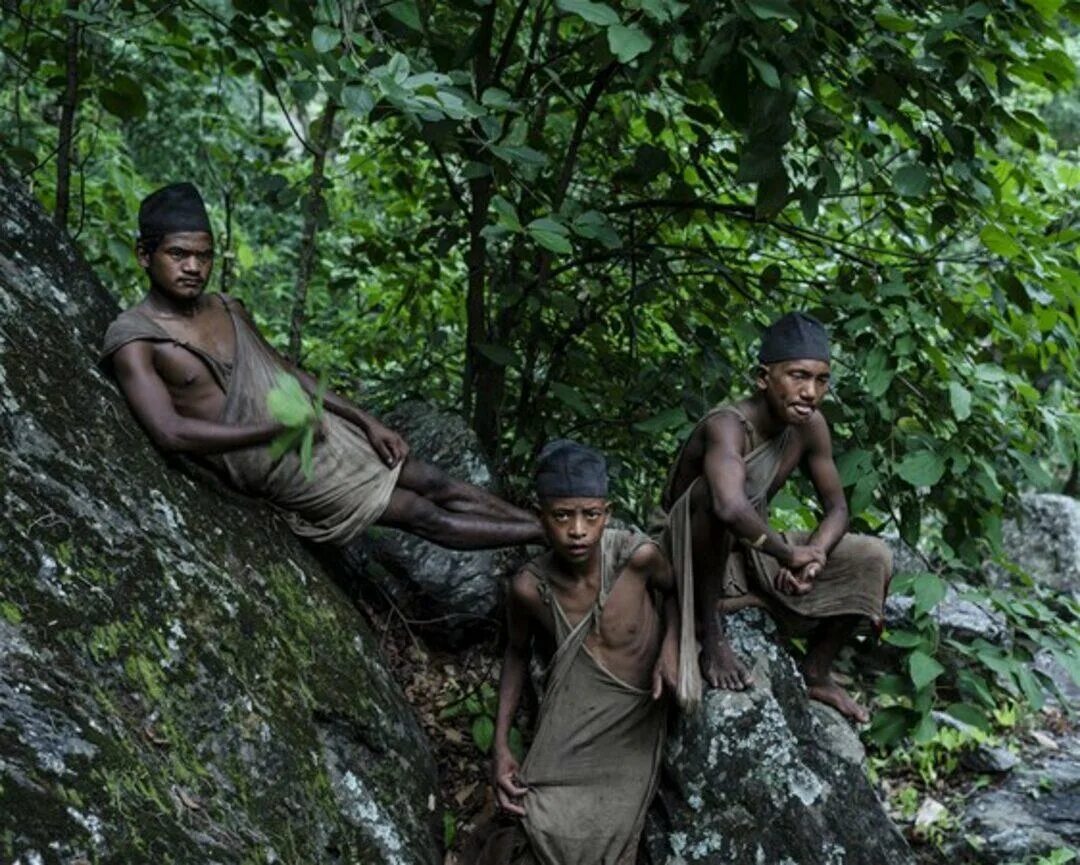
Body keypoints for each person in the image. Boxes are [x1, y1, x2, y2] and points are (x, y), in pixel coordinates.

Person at [101, 182, 542, 550]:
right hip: (275, 460)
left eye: (205, 255)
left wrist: (368, 421)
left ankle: (555, 531)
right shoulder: (136, 338)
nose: (194, 267)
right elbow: (170, 432)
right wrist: (275, 431)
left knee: (434, 480)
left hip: (316, 426)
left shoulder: (226, 307)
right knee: (422, 515)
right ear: (144, 255)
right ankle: (560, 538)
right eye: (179, 255)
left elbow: (286, 371)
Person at [469, 439, 693, 865]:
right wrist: (500, 745)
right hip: (570, 721)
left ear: (606, 515)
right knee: (522, 818)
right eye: (562, 516)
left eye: (590, 516)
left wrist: (669, 646)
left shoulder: (637, 557)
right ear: (542, 517)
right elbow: (516, 654)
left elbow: (678, 594)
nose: (577, 531)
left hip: (633, 721)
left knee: (606, 841)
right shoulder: (529, 588)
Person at [661, 312, 892, 723]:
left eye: (821, 380)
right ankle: (710, 633)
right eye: (798, 376)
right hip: (686, 556)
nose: (810, 392)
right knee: (714, 498)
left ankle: (817, 672)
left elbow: (838, 508)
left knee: (874, 556)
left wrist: (815, 554)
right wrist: (788, 554)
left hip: (746, 555)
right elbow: (729, 508)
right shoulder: (727, 426)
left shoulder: (809, 426)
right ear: (763, 378)